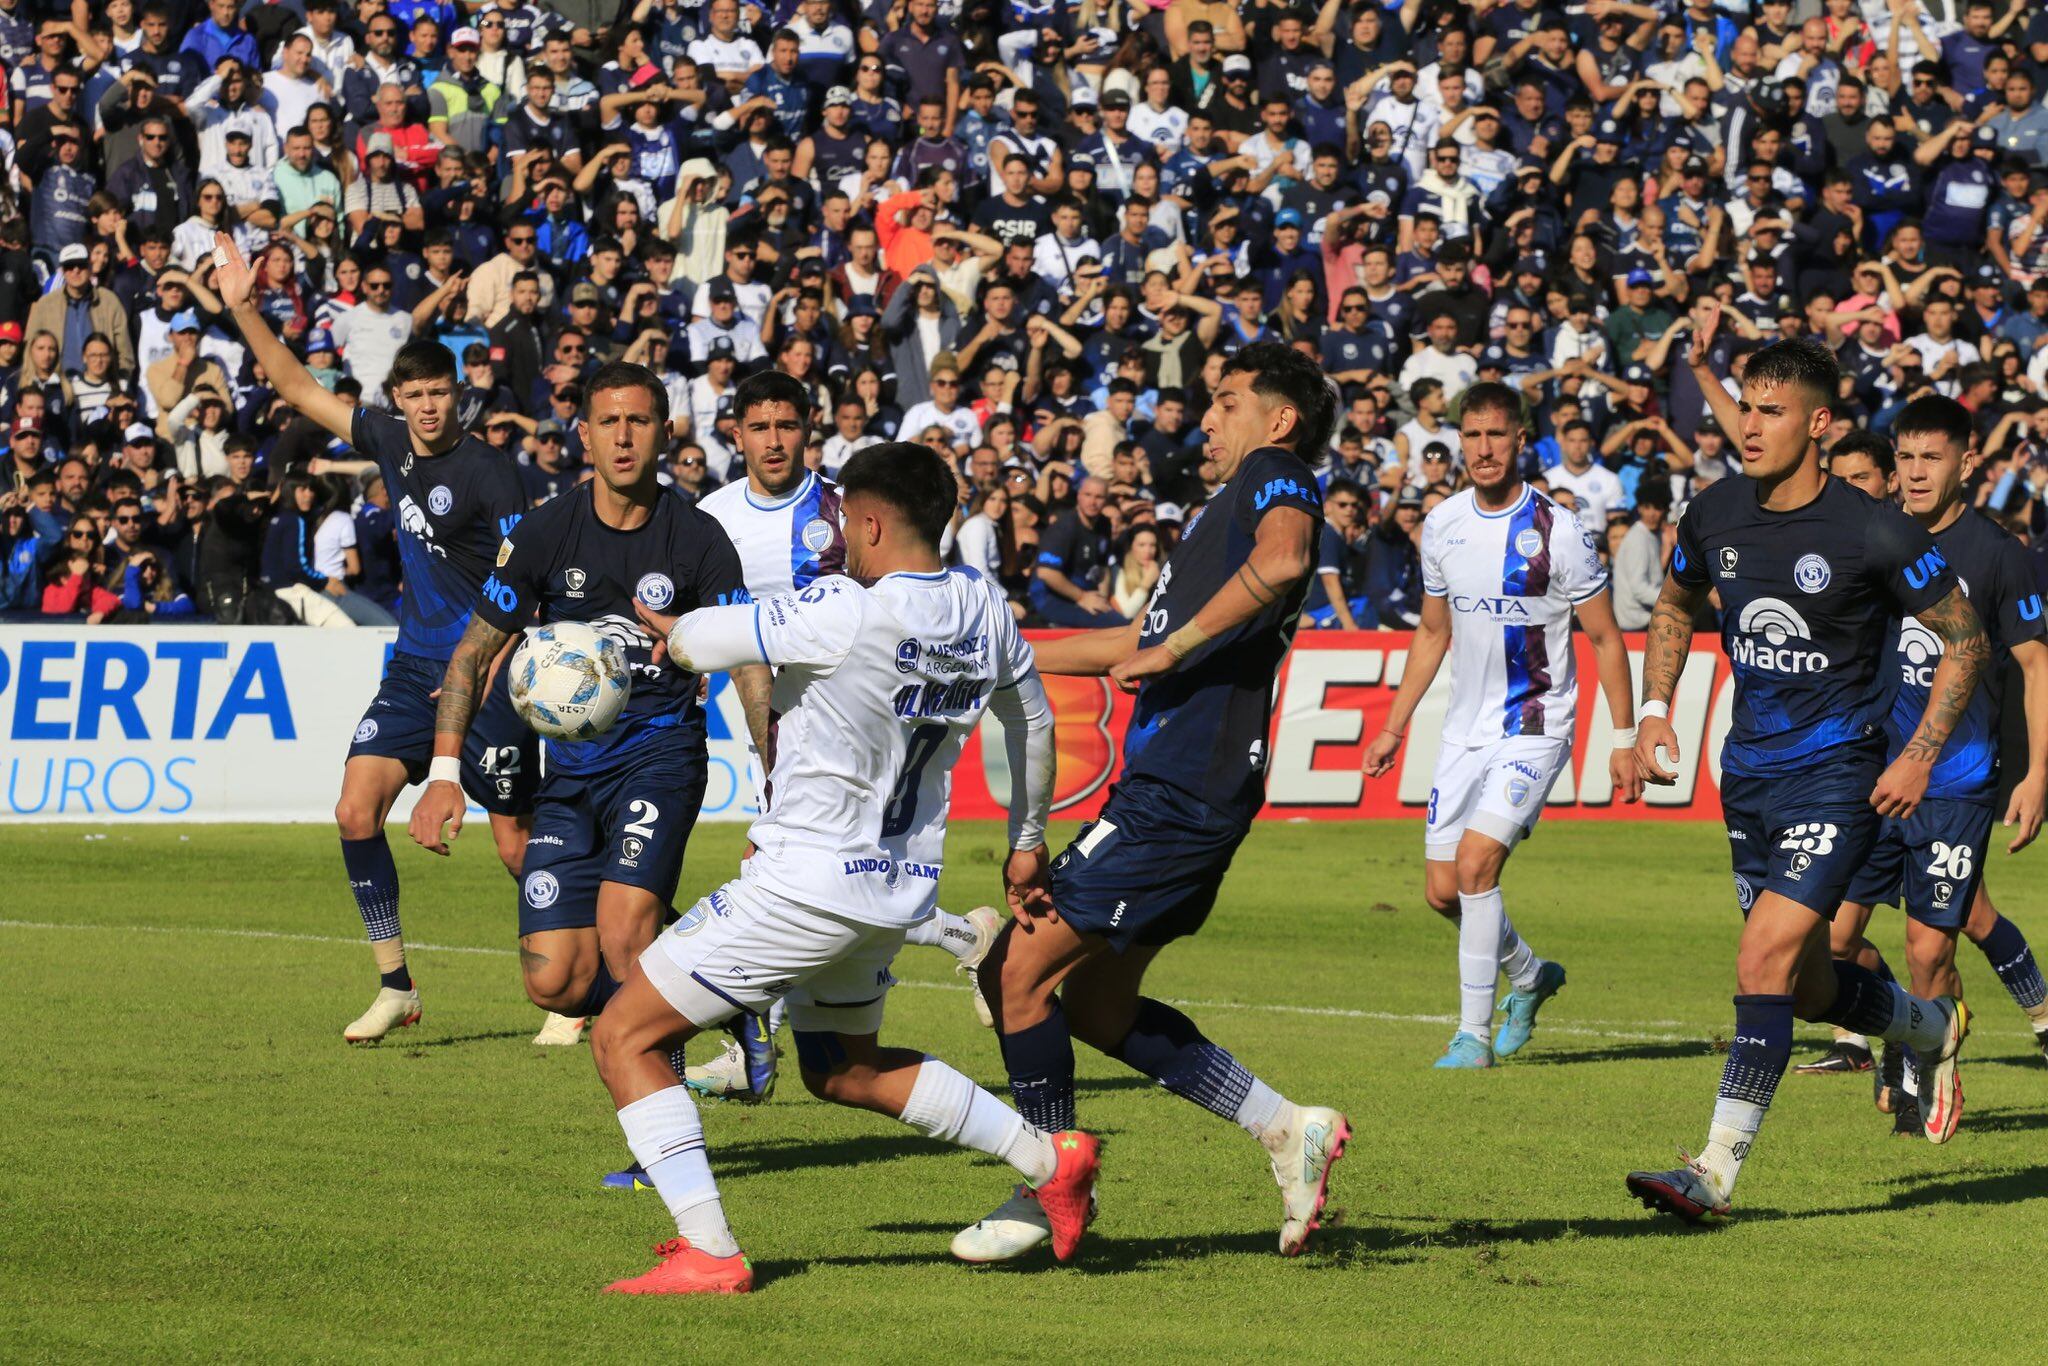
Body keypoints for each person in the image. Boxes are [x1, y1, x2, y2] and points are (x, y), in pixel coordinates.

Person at [586, 440, 1097, 1294]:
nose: (838, 537)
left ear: (869, 521)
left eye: (843, 522)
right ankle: (1050, 1159)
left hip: (803, 888)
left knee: (623, 1034)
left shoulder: (844, 609)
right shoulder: (985, 607)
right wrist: (1026, 837)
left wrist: (672, 633)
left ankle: (710, 1251)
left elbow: (705, 639)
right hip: (892, 890)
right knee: (842, 1067)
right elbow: (1034, 722)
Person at [959, 342, 1348, 1263]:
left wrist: (1171, 657)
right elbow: (1134, 637)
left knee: (1015, 972)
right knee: (1094, 1009)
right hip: (1179, 788)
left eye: (1225, 401)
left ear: (1278, 418)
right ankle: (1288, 1129)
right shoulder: (1220, 514)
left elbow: (1288, 559)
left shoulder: (1278, 476)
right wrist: (995, 656)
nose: (1206, 419)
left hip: (1183, 789)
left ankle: (1049, 1181)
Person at [1625, 319, 1990, 1225]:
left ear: (1819, 425)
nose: (1749, 426)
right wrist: (1653, 713)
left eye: (1772, 411)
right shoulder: (1713, 512)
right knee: (1804, 981)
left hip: (1841, 774)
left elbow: (1965, 638)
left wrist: (1917, 753)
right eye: (1745, 408)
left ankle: (1711, 1171)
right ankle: (1929, 1025)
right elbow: (1674, 603)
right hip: (1748, 771)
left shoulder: (1872, 529)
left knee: (1759, 957)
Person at [411, 359, 767, 1124]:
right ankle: (729, 1001)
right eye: (608, 421)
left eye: (639, 420)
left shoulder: (699, 541)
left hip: (661, 754)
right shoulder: (546, 530)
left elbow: (750, 670)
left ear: (666, 433)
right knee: (556, 982)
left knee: (625, 933)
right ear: (584, 435)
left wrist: (779, 789)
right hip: (569, 772)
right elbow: (473, 654)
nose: (624, 436)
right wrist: (443, 773)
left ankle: (668, 1146)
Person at [213, 230, 539, 1044]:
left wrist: (501, 660)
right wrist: (245, 310)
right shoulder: (389, 441)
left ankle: (577, 983)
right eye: (415, 394)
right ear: (399, 399)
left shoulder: (493, 473)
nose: (427, 407)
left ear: (459, 397)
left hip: (489, 669)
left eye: (440, 394)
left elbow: (523, 584)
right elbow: (292, 382)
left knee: (514, 847)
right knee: (356, 812)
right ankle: (396, 983)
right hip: (412, 666)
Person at [681, 370, 1003, 1105]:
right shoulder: (714, 513)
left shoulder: (846, 508)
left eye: (786, 427)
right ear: (735, 434)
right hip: (761, 693)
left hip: (842, 711)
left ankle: (747, 1042)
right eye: (758, 428)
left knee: (802, 870)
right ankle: (964, 938)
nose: (772, 441)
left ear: (808, 432)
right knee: (805, 873)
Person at [1363, 382, 1642, 1067]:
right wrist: (1395, 728)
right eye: (1473, 435)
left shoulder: (1564, 532)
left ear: (1522, 441)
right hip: (1464, 731)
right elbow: (1432, 634)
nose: (1484, 449)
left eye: (1497, 435)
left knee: (1475, 864)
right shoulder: (1444, 525)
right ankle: (1530, 975)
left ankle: (1473, 1036)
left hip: (1536, 724)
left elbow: (1605, 639)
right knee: (1439, 891)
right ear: (1460, 440)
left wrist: (1625, 738)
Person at [1814, 397, 2048, 1132]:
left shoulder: (2000, 555)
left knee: (1926, 948)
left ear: (1966, 463)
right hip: (1874, 775)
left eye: (1931, 458)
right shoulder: (1876, 540)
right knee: (1832, 943)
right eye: (1905, 457)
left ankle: (1929, 1075)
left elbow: (2036, 666)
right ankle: (1903, 1031)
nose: (1914, 473)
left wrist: (2038, 775)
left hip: (1956, 782)